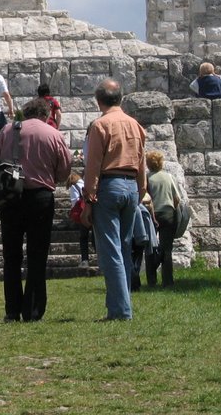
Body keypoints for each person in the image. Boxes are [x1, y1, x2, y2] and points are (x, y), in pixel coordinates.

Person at [0, 97, 72, 322]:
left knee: (11, 255)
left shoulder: (8, 130)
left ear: (25, 113)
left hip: (11, 196)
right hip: (40, 197)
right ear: (46, 115)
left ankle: (12, 309)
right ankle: (33, 309)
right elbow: (64, 170)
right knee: (37, 255)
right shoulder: (53, 134)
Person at [82, 78, 147, 320]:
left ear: (98, 101)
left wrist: (89, 198)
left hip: (109, 185)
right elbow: (141, 161)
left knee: (111, 251)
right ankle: (119, 305)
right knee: (125, 247)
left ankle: (121, 310)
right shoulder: (135, 125)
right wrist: (141, 189)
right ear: (120, 98)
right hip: (131, 186)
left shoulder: (100, 125)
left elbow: (93, 165)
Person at [146, 150, 183, 287]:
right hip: (168, 214)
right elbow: (177, 199)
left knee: (150, 247)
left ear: (148, 164)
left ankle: (151, 279)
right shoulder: (169, 177)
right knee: (167, 249)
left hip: (152, 215)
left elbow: (145, 198)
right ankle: (168, 281)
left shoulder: (147, 178)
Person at [130, 194, 158, 292]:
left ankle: (134, 283)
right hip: (140, 235)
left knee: (133, 259)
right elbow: (150, 206)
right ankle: (135, 283)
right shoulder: (144, 201)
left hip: (132, 235)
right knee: (136, 260)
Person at [66, 171, 93, 266]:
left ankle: (85, 260)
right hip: (92, 212)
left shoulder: (74, 186)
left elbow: (75, 202)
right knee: (95, 236)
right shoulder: (85, 183)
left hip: (83, 214)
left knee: (83, 237)